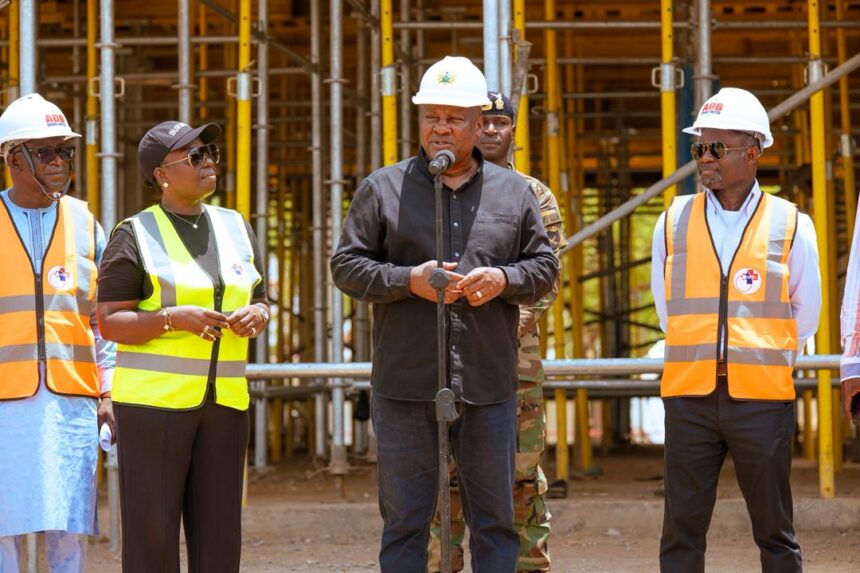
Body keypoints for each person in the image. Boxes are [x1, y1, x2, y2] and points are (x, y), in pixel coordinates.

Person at [331, 56, 559, 572]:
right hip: (405, 385)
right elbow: (346, 267)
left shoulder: (514, 193)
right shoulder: (382, 188)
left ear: (480, 126)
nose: (440, 128)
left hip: (489, 386)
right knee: (406, 523)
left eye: (454, 119)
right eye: (431, 116)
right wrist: (406, 280)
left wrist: (503, 280)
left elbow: (545, 267)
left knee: (495, 522)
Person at [650, 87, 821, 573]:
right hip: (689, 397)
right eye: (699, 148)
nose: (704, 159)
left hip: (762, 399)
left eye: (717, 148)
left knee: (774, 531)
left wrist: (759, 353)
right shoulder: (671, 221)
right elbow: (669, 311)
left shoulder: (791, 223)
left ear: (754, 151)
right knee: (681, 531)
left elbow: (805, 313)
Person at [96, 120, 269, 573]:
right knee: (152, 540)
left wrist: (260, 314)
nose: (209, 161)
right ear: (162, 173)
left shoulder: (235, 226)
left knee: (219, 538)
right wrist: (172, 319)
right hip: (153, 410)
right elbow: (109, 321)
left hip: (226, 407)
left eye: (209, 150)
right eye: (194, 156)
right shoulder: (133, 234)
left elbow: (259, 295)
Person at [428, 91, 565, 573]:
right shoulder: (431, 185)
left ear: (512, 131)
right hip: (442, 356)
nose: (489, 130)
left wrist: (513, 319)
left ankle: (525, 564)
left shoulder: (532, 193)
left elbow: (549, 267)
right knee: (439, 477)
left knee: (519, 474)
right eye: (480, 121)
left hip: (513, 361)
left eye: (499, 122)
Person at [0, 93, 115, 572]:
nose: (59, 162)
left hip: (70, 402)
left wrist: (109, 393)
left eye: (64, 151)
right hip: (4, 405)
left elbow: (103, 321)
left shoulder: (85, 223)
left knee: (67, 526)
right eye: (44, 151)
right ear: (12, 158)